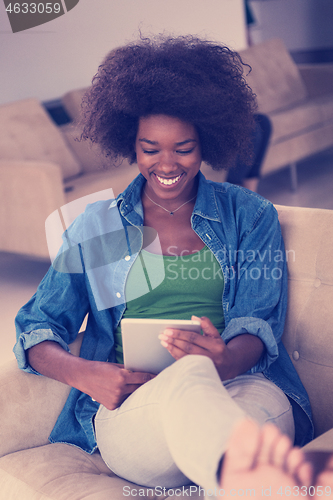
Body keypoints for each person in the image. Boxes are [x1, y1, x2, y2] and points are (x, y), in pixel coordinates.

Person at [14, 35, 319, 491]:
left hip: (242, 387)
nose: (167, 163)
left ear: (207, 143)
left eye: (184, 147)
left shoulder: (249, 215)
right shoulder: (98, 229)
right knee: (199, 391)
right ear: (130, 146)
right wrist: (88, 374)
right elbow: (36, 327)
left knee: (235, 411)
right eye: (150, 148)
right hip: (136, 409)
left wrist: (225, 359)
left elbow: (256, 321)